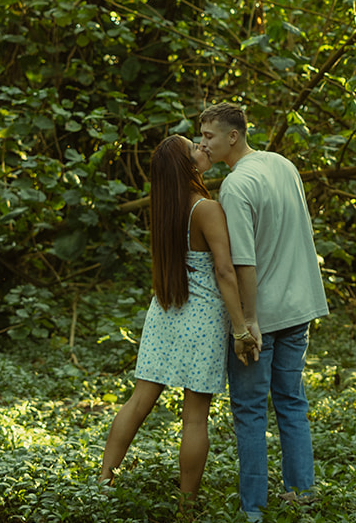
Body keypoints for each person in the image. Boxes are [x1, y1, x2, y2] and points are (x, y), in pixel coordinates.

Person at [98, 135, 259, 503]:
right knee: (195, 417)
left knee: (139, 401)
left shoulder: (165, 207)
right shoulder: (205, 208)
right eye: (194, 150)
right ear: (184, 166)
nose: (202, 149)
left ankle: (102, 483)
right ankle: (186, 505)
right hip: (201, 318)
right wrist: (239, 327)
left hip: (165, 310)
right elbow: (224, 270)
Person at [198, 102, 329, 522]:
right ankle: (302, 494)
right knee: (292, 401)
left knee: (250, 410)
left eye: (208, 137)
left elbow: (243, 263)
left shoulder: (235, 186)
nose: (203, 145)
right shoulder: (283, 165)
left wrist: (247, 322)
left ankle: (253, 510)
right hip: (300, 306)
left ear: (232, 136)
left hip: (264, 317)